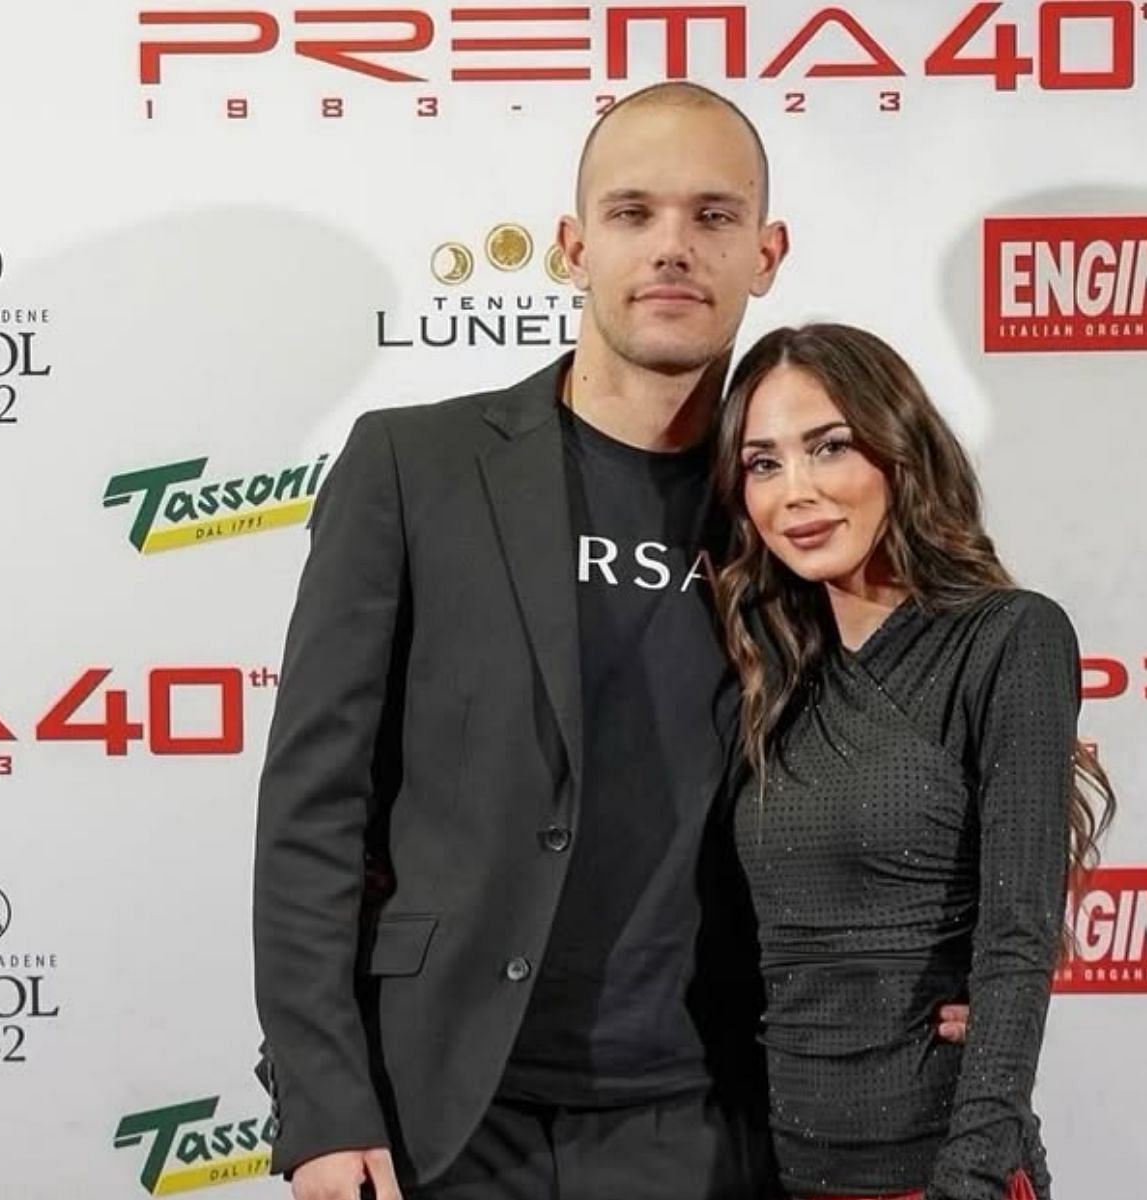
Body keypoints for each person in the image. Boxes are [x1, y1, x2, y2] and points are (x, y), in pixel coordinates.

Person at [250, 81, 795, 1200]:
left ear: (767, 252)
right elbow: (314, 807)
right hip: (438, 1113)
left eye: (714, 216)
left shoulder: (801, 506)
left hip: (705, 1124)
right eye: (633, 213)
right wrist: (320, 1101)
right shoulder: (414, 468)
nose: (673, 249)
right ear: (571, 246)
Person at [709, 323, 1116, 1200]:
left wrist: (967, 1178)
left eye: (830, 447)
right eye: (764, 463)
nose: (799, 492)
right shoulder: (769, 667)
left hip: (942, 1169)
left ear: (900, 453)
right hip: (785, 1167)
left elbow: (1017, 937)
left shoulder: (1011, 637)